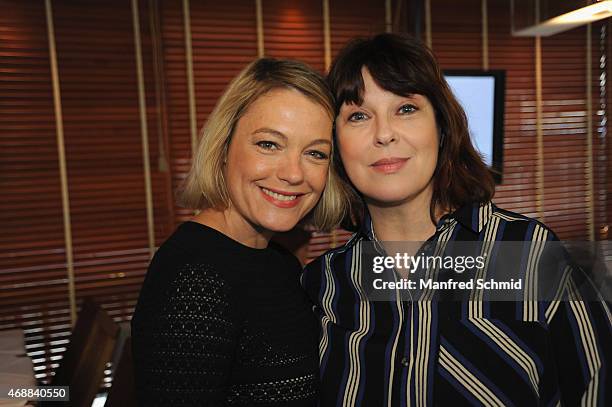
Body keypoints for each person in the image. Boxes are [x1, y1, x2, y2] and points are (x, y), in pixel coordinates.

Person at [302, 33, 612, 406]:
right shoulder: (323, 284)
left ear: (442, 127)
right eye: (358, 116)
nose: (383, 134)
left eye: (405, 109)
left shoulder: (527, 254)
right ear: (336, 144)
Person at [131, 58, 350, 406]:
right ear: (223, 147)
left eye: (315, 153)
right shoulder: (196, 279)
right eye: (269, 144)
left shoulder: (277, 260)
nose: (294, 174)